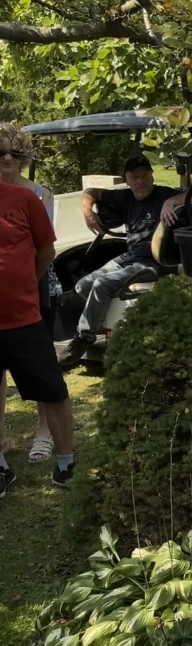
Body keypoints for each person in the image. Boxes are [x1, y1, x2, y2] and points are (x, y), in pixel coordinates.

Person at [57, 156, 192, 366]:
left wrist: (172, 202)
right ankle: (107, 328)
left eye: (144, 176)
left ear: (151, 176)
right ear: (127, 180)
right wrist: (87, 211)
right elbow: (90, 192)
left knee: (102, 285)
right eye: (134, 177)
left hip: (157, 262)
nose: (140, 182)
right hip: (131, 256)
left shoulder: (164, 194)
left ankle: (84, 338)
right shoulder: (125, 197)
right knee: (82, 285)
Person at [0, 165, 78, 494]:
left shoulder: (24, 199)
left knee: (54, 392)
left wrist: (26, 282)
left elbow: (47, 249)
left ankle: (66, 464)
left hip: (24, 319)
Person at [0, 124, 62, 463]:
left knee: (41, 367)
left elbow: (44, 249)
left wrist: (27, 281)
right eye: (0, 152)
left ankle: (44, 433)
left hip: (38, 290)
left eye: (16, 153)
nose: (8, 158)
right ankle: (1, 439)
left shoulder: (40, 194)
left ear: (25, 158)